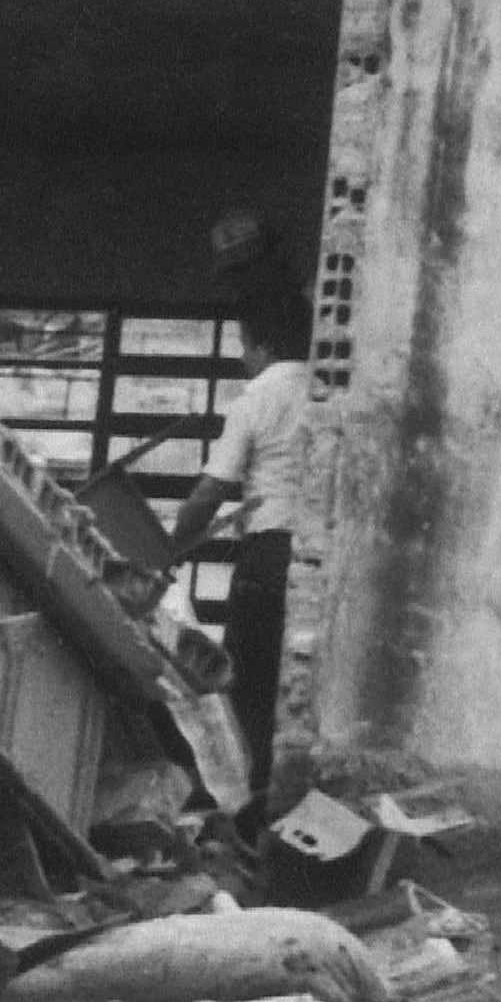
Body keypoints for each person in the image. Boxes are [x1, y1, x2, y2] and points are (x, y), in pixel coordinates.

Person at [168, 289, 312, 797]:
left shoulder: (257, 399)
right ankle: (283, 802)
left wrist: (170, 546)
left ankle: (243, 807)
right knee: (294, 691)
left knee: (245, 687)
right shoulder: (326, 394)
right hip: (315, 560)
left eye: (243, 345)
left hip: (267, 556)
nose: (241, 356)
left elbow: (211, 489)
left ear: (264, 346)